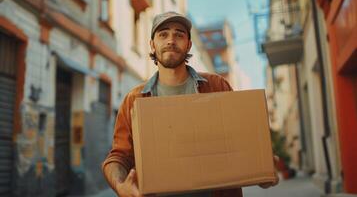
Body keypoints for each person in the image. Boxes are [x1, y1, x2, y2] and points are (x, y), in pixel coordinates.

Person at [102, 11, 278, 197]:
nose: (171, 40)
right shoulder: (134, 100)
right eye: (163, 34)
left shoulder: (216, 86)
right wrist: (120, 185)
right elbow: (118, 157)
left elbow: (238, 144)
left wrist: (263, 167)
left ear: (188, 45)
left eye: (179, 34)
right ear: (152, 45)